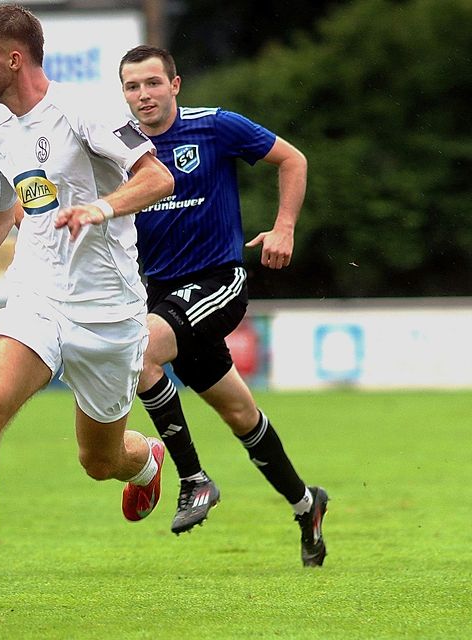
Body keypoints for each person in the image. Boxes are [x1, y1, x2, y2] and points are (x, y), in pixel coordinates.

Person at [0, 4, 176, 576]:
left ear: (13, 59)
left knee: (99, 460)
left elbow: (158, 177)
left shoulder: (84, 112)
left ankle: (144, 462)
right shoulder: (2, 135)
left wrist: (100, 208)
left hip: (109, 313)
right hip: (37, 300)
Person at [118, 45, 329, 566]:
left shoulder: (215, 126)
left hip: (217, 281)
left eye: (152, 83)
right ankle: (307, 505)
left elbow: (292, 159)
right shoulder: (118, 146)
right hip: (161, 294)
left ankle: (193, 479)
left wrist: (284, 228)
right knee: (239, 412)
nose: (143, 95)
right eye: (131, 86)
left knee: (139, 349)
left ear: (175, 84)